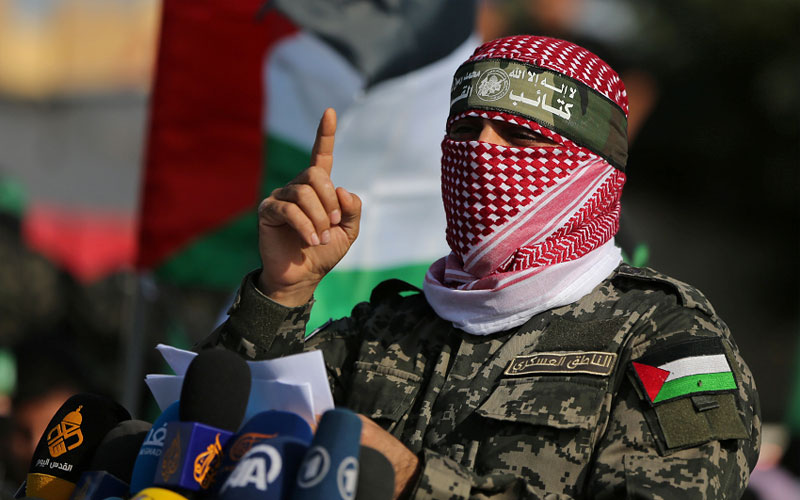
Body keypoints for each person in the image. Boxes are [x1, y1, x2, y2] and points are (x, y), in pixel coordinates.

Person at [200, 35, 760, 498]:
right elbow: (223, 442)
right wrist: (284, 289)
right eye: (466, 131)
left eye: (519, 136)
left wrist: (415, 483)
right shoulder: (390, 326)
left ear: (589, 169)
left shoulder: (665, 338)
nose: (482, 152)